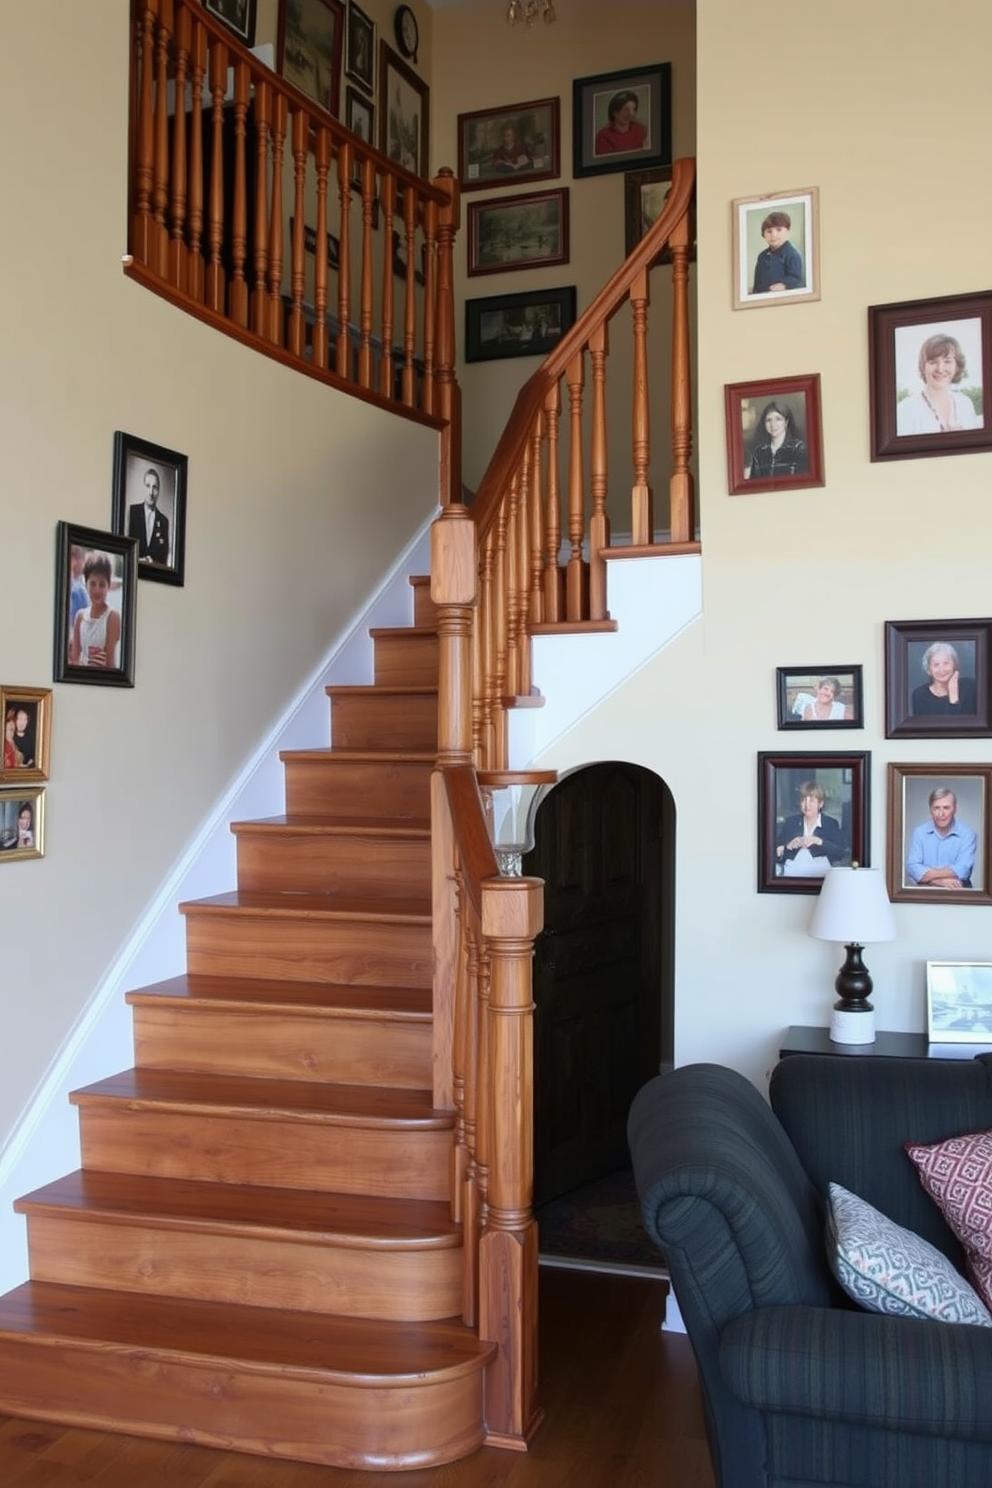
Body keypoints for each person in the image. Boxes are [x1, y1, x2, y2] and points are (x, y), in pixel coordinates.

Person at [896, 333, 982, 436]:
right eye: (933, 362)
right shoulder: (905, 410)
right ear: (923, 367)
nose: (940, 369)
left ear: (957, 366)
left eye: (947, 361)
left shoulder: (966, 404)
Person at [905, 787, 977, 889]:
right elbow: (912, 868)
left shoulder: (967, 834)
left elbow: (963, 869)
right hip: (924, 896)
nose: (941, 814)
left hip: (959, 895)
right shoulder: (919, 832)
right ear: (930, 809)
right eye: (936, 808)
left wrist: (927, 877)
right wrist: (940, 882)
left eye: (946, 808)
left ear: (955, 809)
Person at [776, 781, 847, 877]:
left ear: (820, 804)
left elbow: (840, 853)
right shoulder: (791, 822)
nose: (807, 805)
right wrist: (787, 846)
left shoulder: (830, 823)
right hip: (791, 874)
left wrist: (819, 842)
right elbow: (776, 851)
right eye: (804, 800)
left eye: (811, 801)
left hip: (820, 873)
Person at [70, 551, 121, 669]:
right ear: (85, 584)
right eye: (92, 584)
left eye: (102, 584)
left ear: (108, 585)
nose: (97, 590)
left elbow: (110, 664)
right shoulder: (80, 616)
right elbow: (74, 660)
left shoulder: (112, 617)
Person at [911, 640, 978, 716]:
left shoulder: (970, 687)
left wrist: (954, 694)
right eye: (936, 665)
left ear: (954, 665)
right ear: (929, 670)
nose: (942, 669)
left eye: (946, 663)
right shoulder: (919, 695)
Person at [748, 401, 808, 479]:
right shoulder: (759, 451)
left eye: (778, 419)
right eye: (768, 420)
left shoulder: (798, 449)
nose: (773, 424)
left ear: (786, 422)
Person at [751, 210, 805, 295]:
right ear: (763, 235)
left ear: (787, 230)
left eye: (779, 230)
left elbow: (795, 277)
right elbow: (758, 278)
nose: (773, 235)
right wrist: (755, 290)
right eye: (769, 231)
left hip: (781, 296)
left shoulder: (792, 255)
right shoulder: (762, 256)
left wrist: (784, 285)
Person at [127, 465, 170, 565]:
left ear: (159, 491)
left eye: (154, 487)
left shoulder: (164, 521)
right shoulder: (132, 512)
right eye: (148, 486)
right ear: (143, 488)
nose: (151, 492)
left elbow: (164, 559)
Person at [594, 90, 647, 155]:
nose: (631, 114)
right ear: (614, 112)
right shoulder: (603, 136)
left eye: (634, 109)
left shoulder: (640, 130)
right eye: (626, 109)